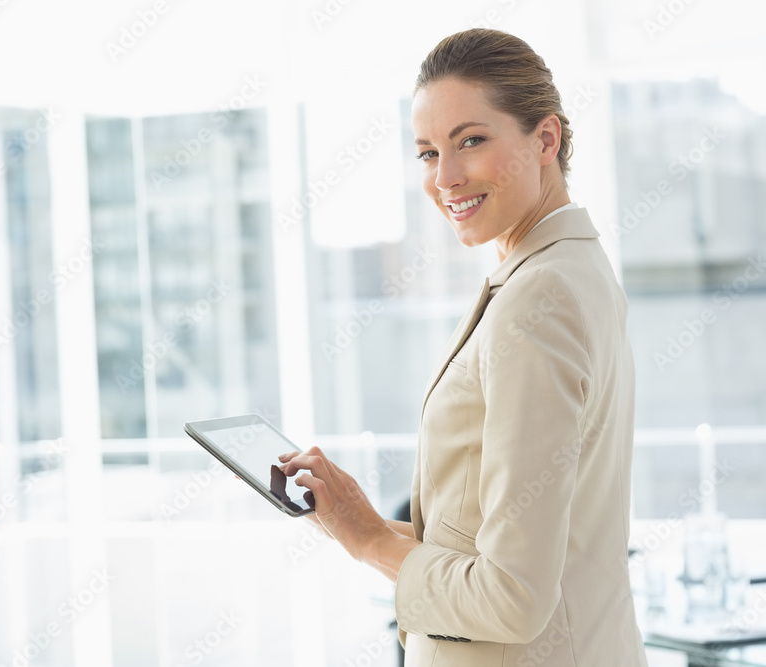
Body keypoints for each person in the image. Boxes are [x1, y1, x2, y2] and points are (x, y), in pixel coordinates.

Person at [278, 28, 648, 665]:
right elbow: (502, 549)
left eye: (470, 141)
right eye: (426, 152)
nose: (445, 177)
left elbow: (511, 596)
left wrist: (368, 539)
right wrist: (348, 516)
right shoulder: (567, 269)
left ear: (546, 139)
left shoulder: (539, 298)